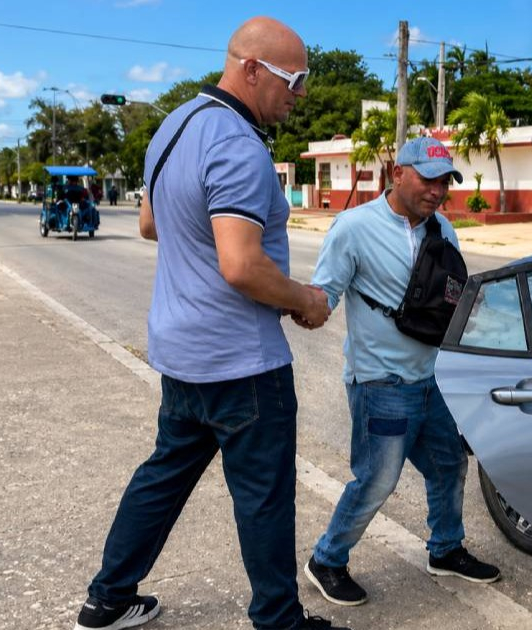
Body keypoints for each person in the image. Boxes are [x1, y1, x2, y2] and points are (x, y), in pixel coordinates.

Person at [72, 16, 343, 630]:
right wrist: (303, 298)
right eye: (294, 80)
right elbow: (243, 266)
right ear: (252, 68)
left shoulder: (173, 126)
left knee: (163, 476)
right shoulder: (238, 145)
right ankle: (278, 620)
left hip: (180, 351)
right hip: (241, 362)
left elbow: (150, 224)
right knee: (265, 498)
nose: (299, 96)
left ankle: (108, 597)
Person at [304, 137, 500, 607]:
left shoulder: (443, 230)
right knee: (377, 479)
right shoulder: (353, 227)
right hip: (381, 384)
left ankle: (446, 548)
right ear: (397, 174)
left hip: (432, 381)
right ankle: (327, 560)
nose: (437, 191)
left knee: (449, 466)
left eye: (444, 182)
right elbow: (322, 295)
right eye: (428, 179)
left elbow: (454, 299)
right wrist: (291, 304)